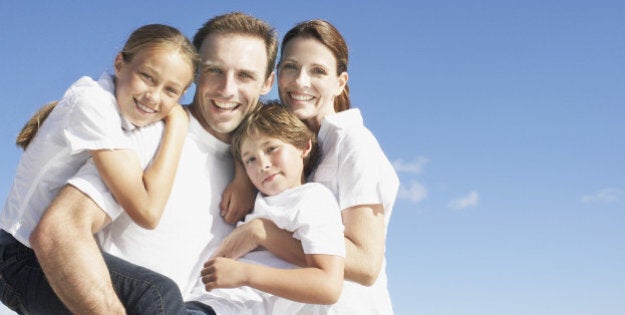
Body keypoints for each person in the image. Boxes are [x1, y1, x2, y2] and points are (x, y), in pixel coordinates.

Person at [17, 12, 278, 314]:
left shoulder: (259, 166)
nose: (227, 89)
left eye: (245, 76)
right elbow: (60, 232)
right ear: (195, 74)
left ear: (267, 82)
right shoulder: (151, 135)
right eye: (214, 71)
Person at [0, 23, 197, 314]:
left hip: (42, 254)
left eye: (170, 90)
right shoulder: (92, 103)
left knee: (157, 295)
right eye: (147, 77)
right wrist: (178, 125)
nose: (153, 97)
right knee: (155, 294)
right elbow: (146, 210)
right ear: (120, 63)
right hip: (17, 259)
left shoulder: (123, 122)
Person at [214, 19, 400, 314]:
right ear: (277, 75)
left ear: (339, 83)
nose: (300, 81)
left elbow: (366, 265)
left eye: (318, 71)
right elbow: (247, 128)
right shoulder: (289, 144)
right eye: (290, 67)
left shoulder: (353, 143)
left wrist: (262, 233)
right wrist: (240, 174)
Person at [186, 102, 345, 314]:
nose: (262, 164)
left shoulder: (312, 198)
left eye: (271, 149)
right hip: (199, 302)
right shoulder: (259, 201)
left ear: (304, 146)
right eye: (250, 159)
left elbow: (329, 286)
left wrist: (244, 273)